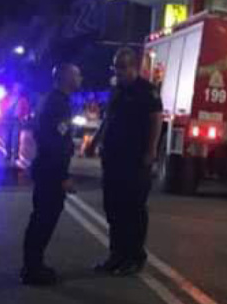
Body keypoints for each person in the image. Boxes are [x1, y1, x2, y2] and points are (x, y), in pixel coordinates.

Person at [91, 47, 163, 276]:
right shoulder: (117, 90)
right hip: (113, 158)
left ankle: (134, 257)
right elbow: (108, 118)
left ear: (134, 67)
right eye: (116, 67)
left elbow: (156, 121)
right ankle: (116, 255)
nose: (118, 71)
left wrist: (151, 150)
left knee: (133, 210)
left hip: (135, 160)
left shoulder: (146, 91)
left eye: (122, 67)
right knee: (113, 208)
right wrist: (95, 141)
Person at [21, 63, 82, 286]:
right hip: (50, 171)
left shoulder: (53, 100)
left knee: (41, 218)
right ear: (66, 78)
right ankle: (32, 269)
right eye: (77, 75)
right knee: (43, 220)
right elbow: (54, 143)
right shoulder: (58, 104)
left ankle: (33, 265)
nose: (81, 79)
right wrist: (62, 176)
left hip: (46, 168)